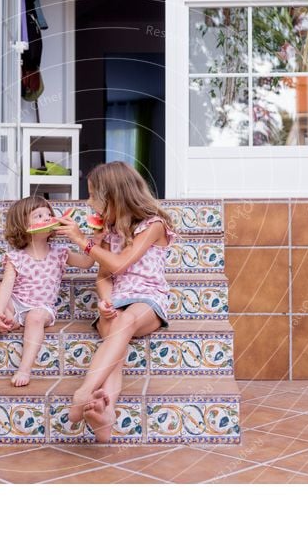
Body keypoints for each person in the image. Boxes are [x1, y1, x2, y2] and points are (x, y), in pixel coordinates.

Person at [56, 162, 175, 442]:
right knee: (116, 345)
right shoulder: (108, 232)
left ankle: (84, 391)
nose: (89, 202)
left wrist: (82, 240)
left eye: (94, 195)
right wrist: (105, 301)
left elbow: (120, 265)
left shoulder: (153, 226)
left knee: (126, 320)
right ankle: (105, 419)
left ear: (114, 196)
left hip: (148, 299)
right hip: (117, 302)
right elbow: (104, 276)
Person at [0, 197, 94, 386]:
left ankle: (24, 369)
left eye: (49, 214)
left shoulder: (60, 252)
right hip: (16, 305)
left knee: (35, 316)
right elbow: (6, 285)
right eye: (39, 215)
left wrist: (89, 239)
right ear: (22, 224)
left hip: (42, 308)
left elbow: (88, 263)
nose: (47, 218)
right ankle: (8, 320)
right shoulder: (15, 257)